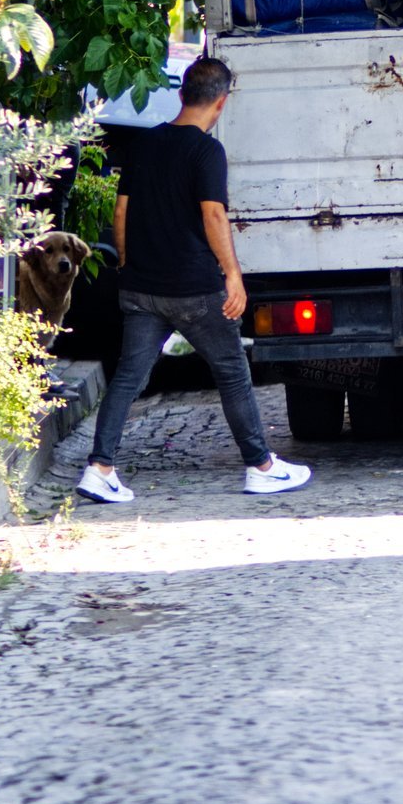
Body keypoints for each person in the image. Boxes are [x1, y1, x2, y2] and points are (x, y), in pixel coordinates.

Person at [77, 57, 312, 503]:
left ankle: (100, 467)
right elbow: (213, 214)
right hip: (195, 290)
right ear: (221, 104)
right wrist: (233, 275)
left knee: (128, 377)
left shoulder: (144, 145)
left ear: (182, 95)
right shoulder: (207, 152)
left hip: (141, 288)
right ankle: (261, 466)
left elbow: (121, 210)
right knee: (232, 373)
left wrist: (128, 263)